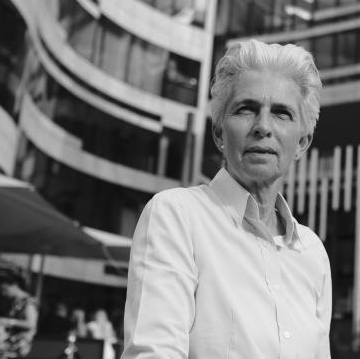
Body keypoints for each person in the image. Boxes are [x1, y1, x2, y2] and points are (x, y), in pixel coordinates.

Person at [122, 40, 332, 358]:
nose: (263, 127)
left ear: (302, 142)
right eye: (246, 109)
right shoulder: (176, 216)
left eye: (281, 113)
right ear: (219, 133)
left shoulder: (312, 253)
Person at [0, 273, 38, 359]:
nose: (4, 293)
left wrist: (9, 322)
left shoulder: (29, 302)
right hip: (10, 339)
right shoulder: (15, 301)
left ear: (15, 285)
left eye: (5, 289)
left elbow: (31, 324)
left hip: (21, 343)